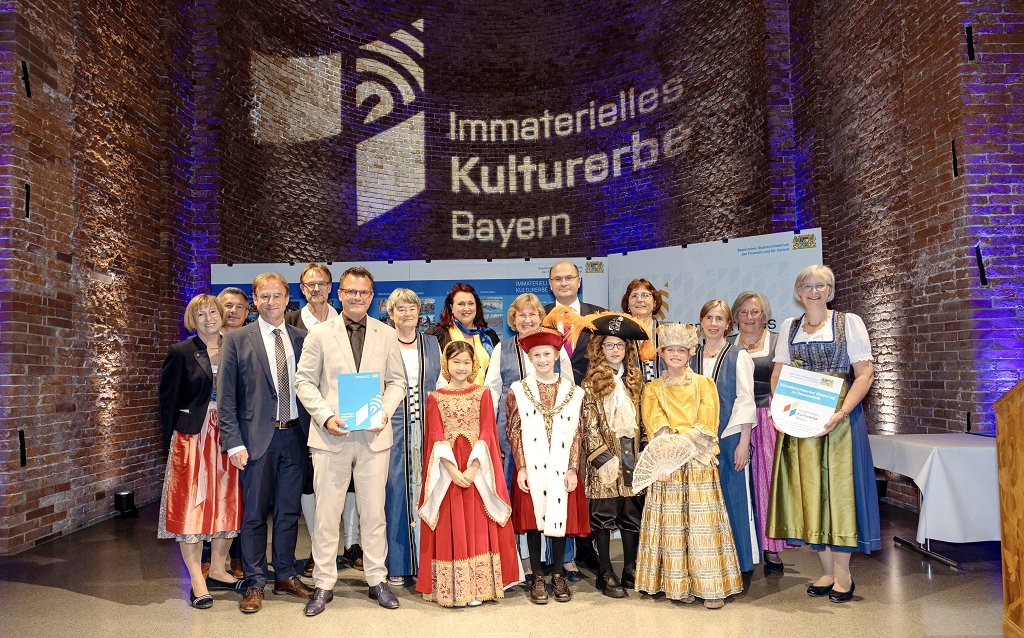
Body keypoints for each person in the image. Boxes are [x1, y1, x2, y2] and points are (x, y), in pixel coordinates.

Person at [295, 266, 407, 616]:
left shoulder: (386, 334)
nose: (358, 297)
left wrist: (384, 411)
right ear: (340, 294)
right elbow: (304, 382)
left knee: (374, 513)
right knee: (327, 515)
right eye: (351, 291)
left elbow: (397, 382)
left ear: (372, 296)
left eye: (364, 292)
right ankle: (323, 583)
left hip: (374, 437)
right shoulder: (319, 334)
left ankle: (377, 578)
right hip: (332, 436)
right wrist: (326, 417)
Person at [767, 265, 880, 603]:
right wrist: (779, 410)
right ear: (798, 291)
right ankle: (827, 571)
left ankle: (844, 575)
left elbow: (864, 373)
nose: (813, 291)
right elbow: (778, 374)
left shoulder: (848, 323)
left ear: (830, 290)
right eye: (807, 285)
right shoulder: (789, 327)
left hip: (838, 419)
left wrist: (842, 412)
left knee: (838, 492)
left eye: (821, 285)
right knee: (811, 491)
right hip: (801, 419)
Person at [218, 273, 313, 613]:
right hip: (256, 441)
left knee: (289, 512)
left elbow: (314, 387)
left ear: (288, 299)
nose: (271, 302)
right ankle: (255, 582)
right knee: (255, 515)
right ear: (255, 301)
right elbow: (226, 396)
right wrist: (233, 443)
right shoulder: (237, 339)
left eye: (277, 295)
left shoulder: (303, 338)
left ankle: (285, 574)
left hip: (296, 436)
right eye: (264, 296)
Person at [637, 323, 743, 609]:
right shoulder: (652, 389)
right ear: (661, 354)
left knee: (702, 526)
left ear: (690, 354)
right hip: (668, 464)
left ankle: (710, 586)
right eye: (670, 350)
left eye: (681, 350)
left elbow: (708, 421)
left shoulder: (705, 385)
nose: (675, 354)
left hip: (698, 460)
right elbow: (655, 423)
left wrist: (685, 445)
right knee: (673, 526)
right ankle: (678, 584)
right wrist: (672, 452)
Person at [416, 341, 522, 606]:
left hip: (477, 470)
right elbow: (435, 435)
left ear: (474, 365)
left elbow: (487, 431)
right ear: (446, 364)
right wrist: (452, 470)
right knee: (451, 523)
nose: (461, 367)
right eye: (456, 362)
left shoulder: (482, 394)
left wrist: (474, 468)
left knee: (477, 524)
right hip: (448, 472)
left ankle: (478, 587)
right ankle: (455, 589)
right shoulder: (435, 397)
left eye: (466, 362)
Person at [158, 295, 243, 609]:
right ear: (192, 320)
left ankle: (218, 569)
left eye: (213, 312)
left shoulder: (236, 347)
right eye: (201, 314)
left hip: (230, 435)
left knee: (228, 501)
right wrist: (169, 443)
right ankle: (197, 579)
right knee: (190, 506)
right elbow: (168, 401)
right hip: (193, 437)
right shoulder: (181, 352)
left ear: (222, 315)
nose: (208, 319)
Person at [281, 264, 356, 579]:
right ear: (301, 288)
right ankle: (317, 550)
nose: (316, 289)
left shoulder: (347, 320)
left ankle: (351, 546)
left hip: (344, 415)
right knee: (310, 483)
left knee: (349, 482)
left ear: (331, 288)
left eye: (322, 283)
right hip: (302, 414)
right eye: (309, 284)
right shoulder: (289, 323)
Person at [506, 329, 590, 604]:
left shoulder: (574, 393)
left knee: (559, 518)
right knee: (533, 521)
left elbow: (578, 433)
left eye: (547, 354)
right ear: (529, 358)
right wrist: (521, 467)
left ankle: (558, 574)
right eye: (536, 355)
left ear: (556, 356)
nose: (542, 360)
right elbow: (514, 430)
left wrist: (573, 469)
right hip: (531, 464)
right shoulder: (519, 390)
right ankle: (538, 576)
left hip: (562, 465)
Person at [579, 313, 649, 598]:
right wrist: (605, 460)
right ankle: (605, 572)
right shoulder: (589, 384)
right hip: (605, 458)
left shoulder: (636, 381)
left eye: (620, 345)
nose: (615, 350)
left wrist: (644, 452)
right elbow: (589, 426)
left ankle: (630, 568)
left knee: (632, 513)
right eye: (609, 345)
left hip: (633, 457)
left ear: (627, 349)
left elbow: (644, 420)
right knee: (604, 515)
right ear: (600, 349)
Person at [544, 260, 605, 573]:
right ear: (550, 284)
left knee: (589, 474)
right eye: (558, 279)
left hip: (591, 405)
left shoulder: (598, 316)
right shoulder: (539, 316)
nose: (564, 283)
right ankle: (560, 548)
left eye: (569, 277)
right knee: (559, 474)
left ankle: (586, 545)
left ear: (579, 281)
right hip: (551, 411)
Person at [385, 288, 446, 586]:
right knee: (395, 491)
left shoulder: (432, 343)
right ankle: (397, 561)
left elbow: (443, 383)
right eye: (401, 309)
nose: (407, 313)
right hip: (393, 430)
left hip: (427, 428)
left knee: (430, 490)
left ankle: (429, 560)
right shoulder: (382, 343)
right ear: (391, 313)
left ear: (419, 313)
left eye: (412, 308)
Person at [694, 300, 759, 573]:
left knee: (733, 499)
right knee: (700, 502)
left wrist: (744, 443)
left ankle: (738, 562)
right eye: (709, 317)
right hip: (696, 441)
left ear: (728, 324)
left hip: (730, 436)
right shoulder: (691, 355)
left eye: (719, 319)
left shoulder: (738, 356)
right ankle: (704, 563)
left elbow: (746, 401)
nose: (713, 323)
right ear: (701, 321)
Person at [483, 293, 572, 491]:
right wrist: (491, 427)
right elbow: (492, 390)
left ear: (540, 317)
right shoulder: (502, 349)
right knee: (512, 479)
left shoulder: (556, 347)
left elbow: (569, 387)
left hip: (551, 427)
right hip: (511, 427)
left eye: (532, 314)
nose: (527, 320)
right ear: (513, 319)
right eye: (521, 315)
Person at [729, 291, 788, 574]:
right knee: (738, 483)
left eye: (755, 311)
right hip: (734, 420)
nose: (749, 317)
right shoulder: (727, 345)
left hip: (767, 418)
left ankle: (770, 547)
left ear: (765, 315)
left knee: (766, 484)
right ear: (735, 317)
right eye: (743, 312)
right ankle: (740, 544)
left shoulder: (777, 343)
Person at [425, 283, 500, 386]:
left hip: (486, 394)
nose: (466, 308)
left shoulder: (489, 336)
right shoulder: (436, 336)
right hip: (450, 395)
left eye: (471, 303)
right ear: (451, 307)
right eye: (461, 304)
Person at [620, 278, 662, 382]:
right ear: (628, 304)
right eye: (634, 296)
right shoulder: (620, 334)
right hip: (630, 391)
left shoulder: (667, 332)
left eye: (645, 295)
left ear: (655, 303)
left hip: (665, 391)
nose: (639, 300)